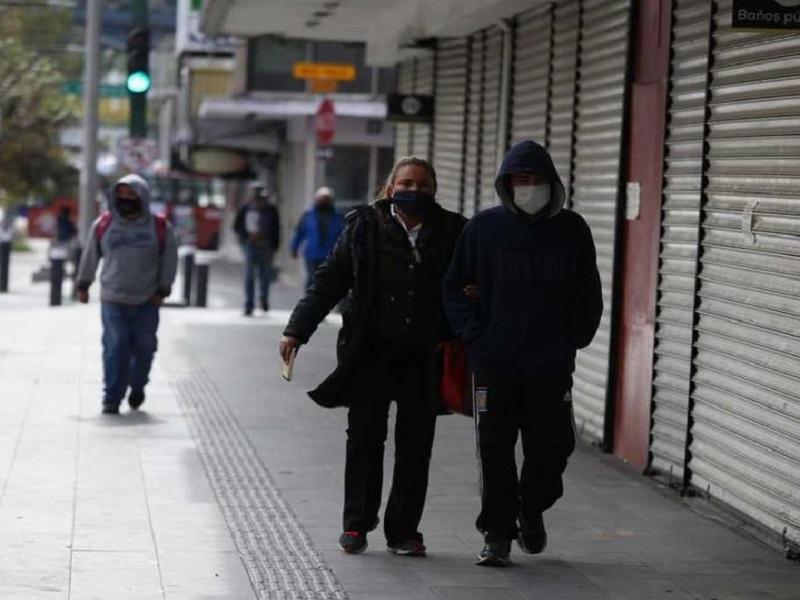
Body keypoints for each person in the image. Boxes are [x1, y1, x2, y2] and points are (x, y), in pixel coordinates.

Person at [279, 157, 466, 557]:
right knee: (364, 438)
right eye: (407, 183)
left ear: (434, 190)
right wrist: (297, 329)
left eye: (422, 184)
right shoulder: (363, 226)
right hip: (370, 351)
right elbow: (329, 280)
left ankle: (404, 531)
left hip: (425, 355)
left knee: (416, 445)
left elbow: (469, 284)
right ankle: (356, 524)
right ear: (391, 187)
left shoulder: (453, 230)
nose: (414, 190)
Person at [443, 140, 602, 567]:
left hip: (550, 366)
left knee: (552, 447)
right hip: (494, 365)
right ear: (506, 185)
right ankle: (497, 533)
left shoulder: (572, 230)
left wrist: (573, 337)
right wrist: (477, 337)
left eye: (532, 179)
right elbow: (454, 287)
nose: (526, 187)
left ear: (551, 183)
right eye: (517, 180)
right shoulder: (483, 228)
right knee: (494, 449)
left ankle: (530, 507)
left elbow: (589, 292)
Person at [76, 174, 178, 415]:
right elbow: (90, 255)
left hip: (147, 299)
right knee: (116, 346)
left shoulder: (160, 227)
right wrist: (83, 284)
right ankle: (112, 397)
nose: (126, 199)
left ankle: (138, 384)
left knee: (144, 348)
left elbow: (169, 259)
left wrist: (163, 289)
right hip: (113, 299)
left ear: (143, 197)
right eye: (121, 194)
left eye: (132, 195)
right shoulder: (104, 224)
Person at [233, 182, 280, 315]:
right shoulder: (246, 208)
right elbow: (237, 226)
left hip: (266, 246)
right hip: (250, 246)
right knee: (249, 276)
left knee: (265, 276)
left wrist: (274, 247)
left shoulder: (271, 210)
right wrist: (247, 236)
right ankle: (249, 304)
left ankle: (263, 298)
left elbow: (276, 229)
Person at [291, 186, 345, 289]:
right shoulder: (308, 215)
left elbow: (342, 235)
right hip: (312, 254)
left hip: (330, 255)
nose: (324, 201)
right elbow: (300, 233)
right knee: (312, 279)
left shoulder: (338, 217)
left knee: (327, 280)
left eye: (327, 199)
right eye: (322, 199)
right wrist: (294, 247)